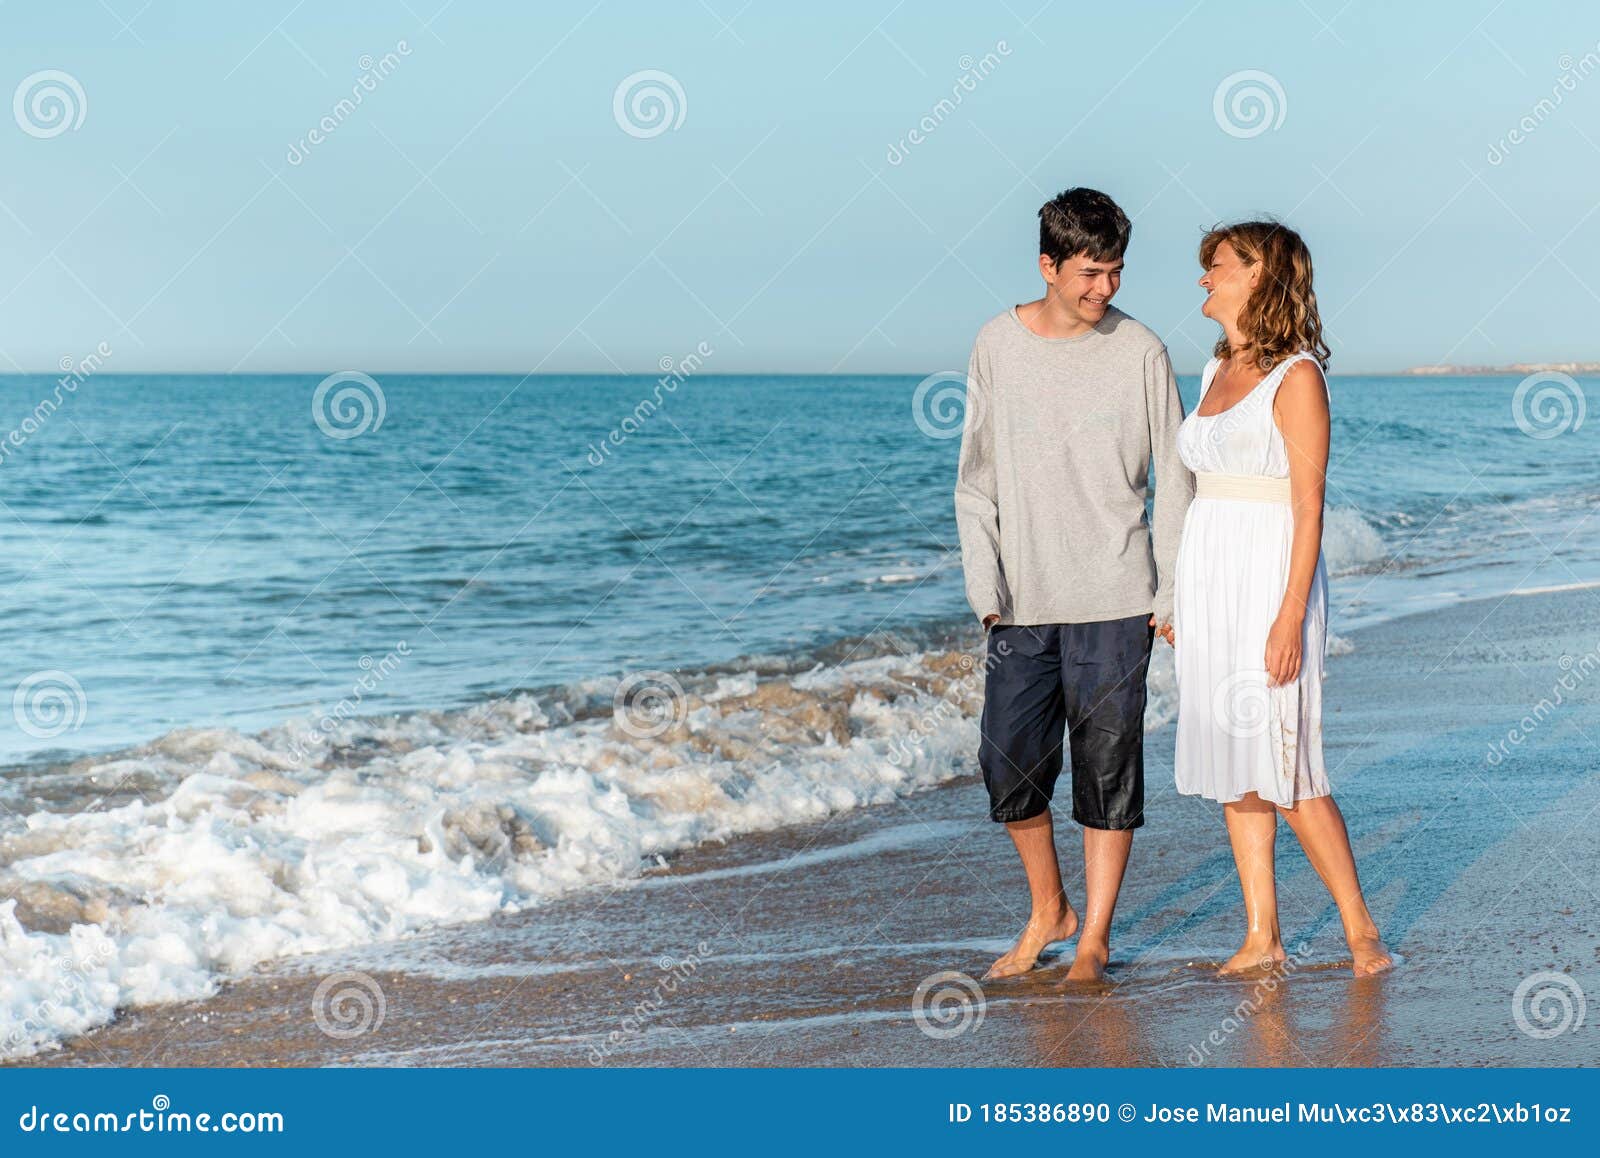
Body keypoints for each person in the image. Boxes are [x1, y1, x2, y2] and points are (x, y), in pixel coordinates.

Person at [955, 187, 1192, 982]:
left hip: (1118, 594)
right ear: (1048, 266)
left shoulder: (1142, 351)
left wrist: (1170, 592)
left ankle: (1093, 938)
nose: (1105, 288)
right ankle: (1049, 907)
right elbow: (975, 479)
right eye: (1090, 273)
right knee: (1007, 761)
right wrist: (985, 592)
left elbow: (1177, 478)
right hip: (1021, 603)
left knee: (1108, 771)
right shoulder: (996, 343)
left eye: (1115, 271)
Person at [1172, 220, 1393, 977]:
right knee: (1236, 762)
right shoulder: (1213, 369)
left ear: (1260, 275)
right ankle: (1261, 935)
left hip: (1269, 580)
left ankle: (1360, 930)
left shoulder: (1297, 377)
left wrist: (1291, 614)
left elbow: (1308, 505)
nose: (1204, 277)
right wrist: (1179, 600)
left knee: (1286, 761)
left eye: (1218, 265)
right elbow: (1198, 490)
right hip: (1210, 579)